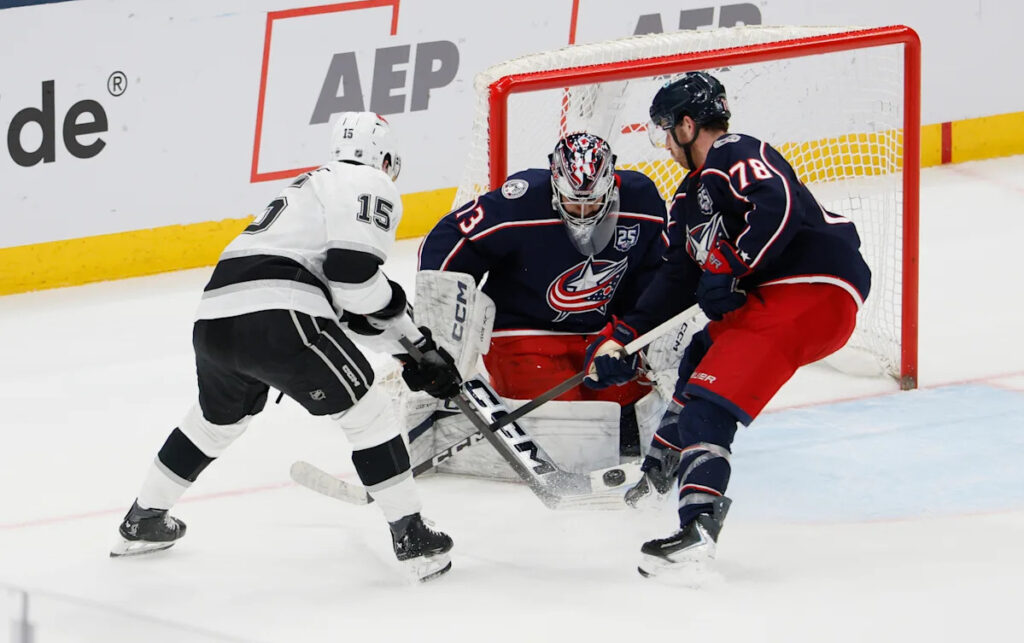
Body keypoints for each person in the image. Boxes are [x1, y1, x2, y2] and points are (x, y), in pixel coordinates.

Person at [110, 112, 462, 583]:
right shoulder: (368, 182)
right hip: (279, 313)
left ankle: (143, 520)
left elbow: (345, 309)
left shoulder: (307, 191)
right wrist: (410, 329)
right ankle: (413, 535)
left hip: (215, 317)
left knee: (215, 422)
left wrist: (409, 349)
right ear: (384, 158)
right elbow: (355, 279)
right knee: (369, 413)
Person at [584, 72, 871, 578]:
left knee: (709, 411)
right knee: (698, 357)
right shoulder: (688, 200)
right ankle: (657, 475)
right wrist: (620, 340)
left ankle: (696, 532)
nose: (665, 144)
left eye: (664, 131)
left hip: (810, 289)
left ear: (688, 125)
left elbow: (775, 201)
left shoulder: (734, 151)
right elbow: (676, 278)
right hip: (771, 299)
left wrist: (733, 263)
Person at [414, 132, 670, 473]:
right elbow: (443, 245)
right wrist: (439, 335)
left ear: (611, 187)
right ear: (554, 186)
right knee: (572, 446)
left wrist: (628, 337)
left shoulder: (643, 203)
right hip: (521, 336)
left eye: (592, 203)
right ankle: (448, 419)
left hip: (598, 337)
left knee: (639, 426)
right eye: (571, 202)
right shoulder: (520, 202)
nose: (582, 213)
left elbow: (656, 279)